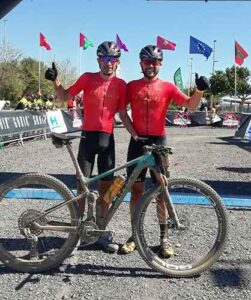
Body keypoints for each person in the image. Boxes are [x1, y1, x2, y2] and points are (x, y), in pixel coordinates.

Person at [119, 45, 209, 257]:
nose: (150, 66)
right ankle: (135, 235)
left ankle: (164, 238)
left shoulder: (167, 86)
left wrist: (200, 90)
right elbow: (123, 113)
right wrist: (134, 134)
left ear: (160, 64)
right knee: (136, 192)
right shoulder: (131, 86)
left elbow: (190, 105)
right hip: (137, 142)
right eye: (147, 62)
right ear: (140, 64)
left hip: (159, 143)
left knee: (162, 191)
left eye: (155, 62)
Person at [45, 41, 126, 253]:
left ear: (117, 62)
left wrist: (138, 136)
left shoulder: (121, 85)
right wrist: (55, 80)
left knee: (107, 190)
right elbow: (64, 97)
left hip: (108, 140)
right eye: (105, 59)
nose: (109, 63)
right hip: (87, 139)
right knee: (82, 189)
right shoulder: (87, 78)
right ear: (99, 60)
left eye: (113, 59)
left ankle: (100, 231)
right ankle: (77, 234)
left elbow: (124, 114)